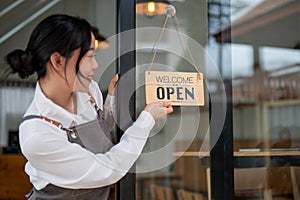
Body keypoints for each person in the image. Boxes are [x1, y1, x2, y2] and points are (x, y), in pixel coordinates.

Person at [5, 14, 173, 199]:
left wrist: (113, 99)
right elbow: (109, 169)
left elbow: (96, 134)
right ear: (58, 61)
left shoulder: (89, 90)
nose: (96, 65)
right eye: (90, 56)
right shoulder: (37, 135)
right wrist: (146, 119)